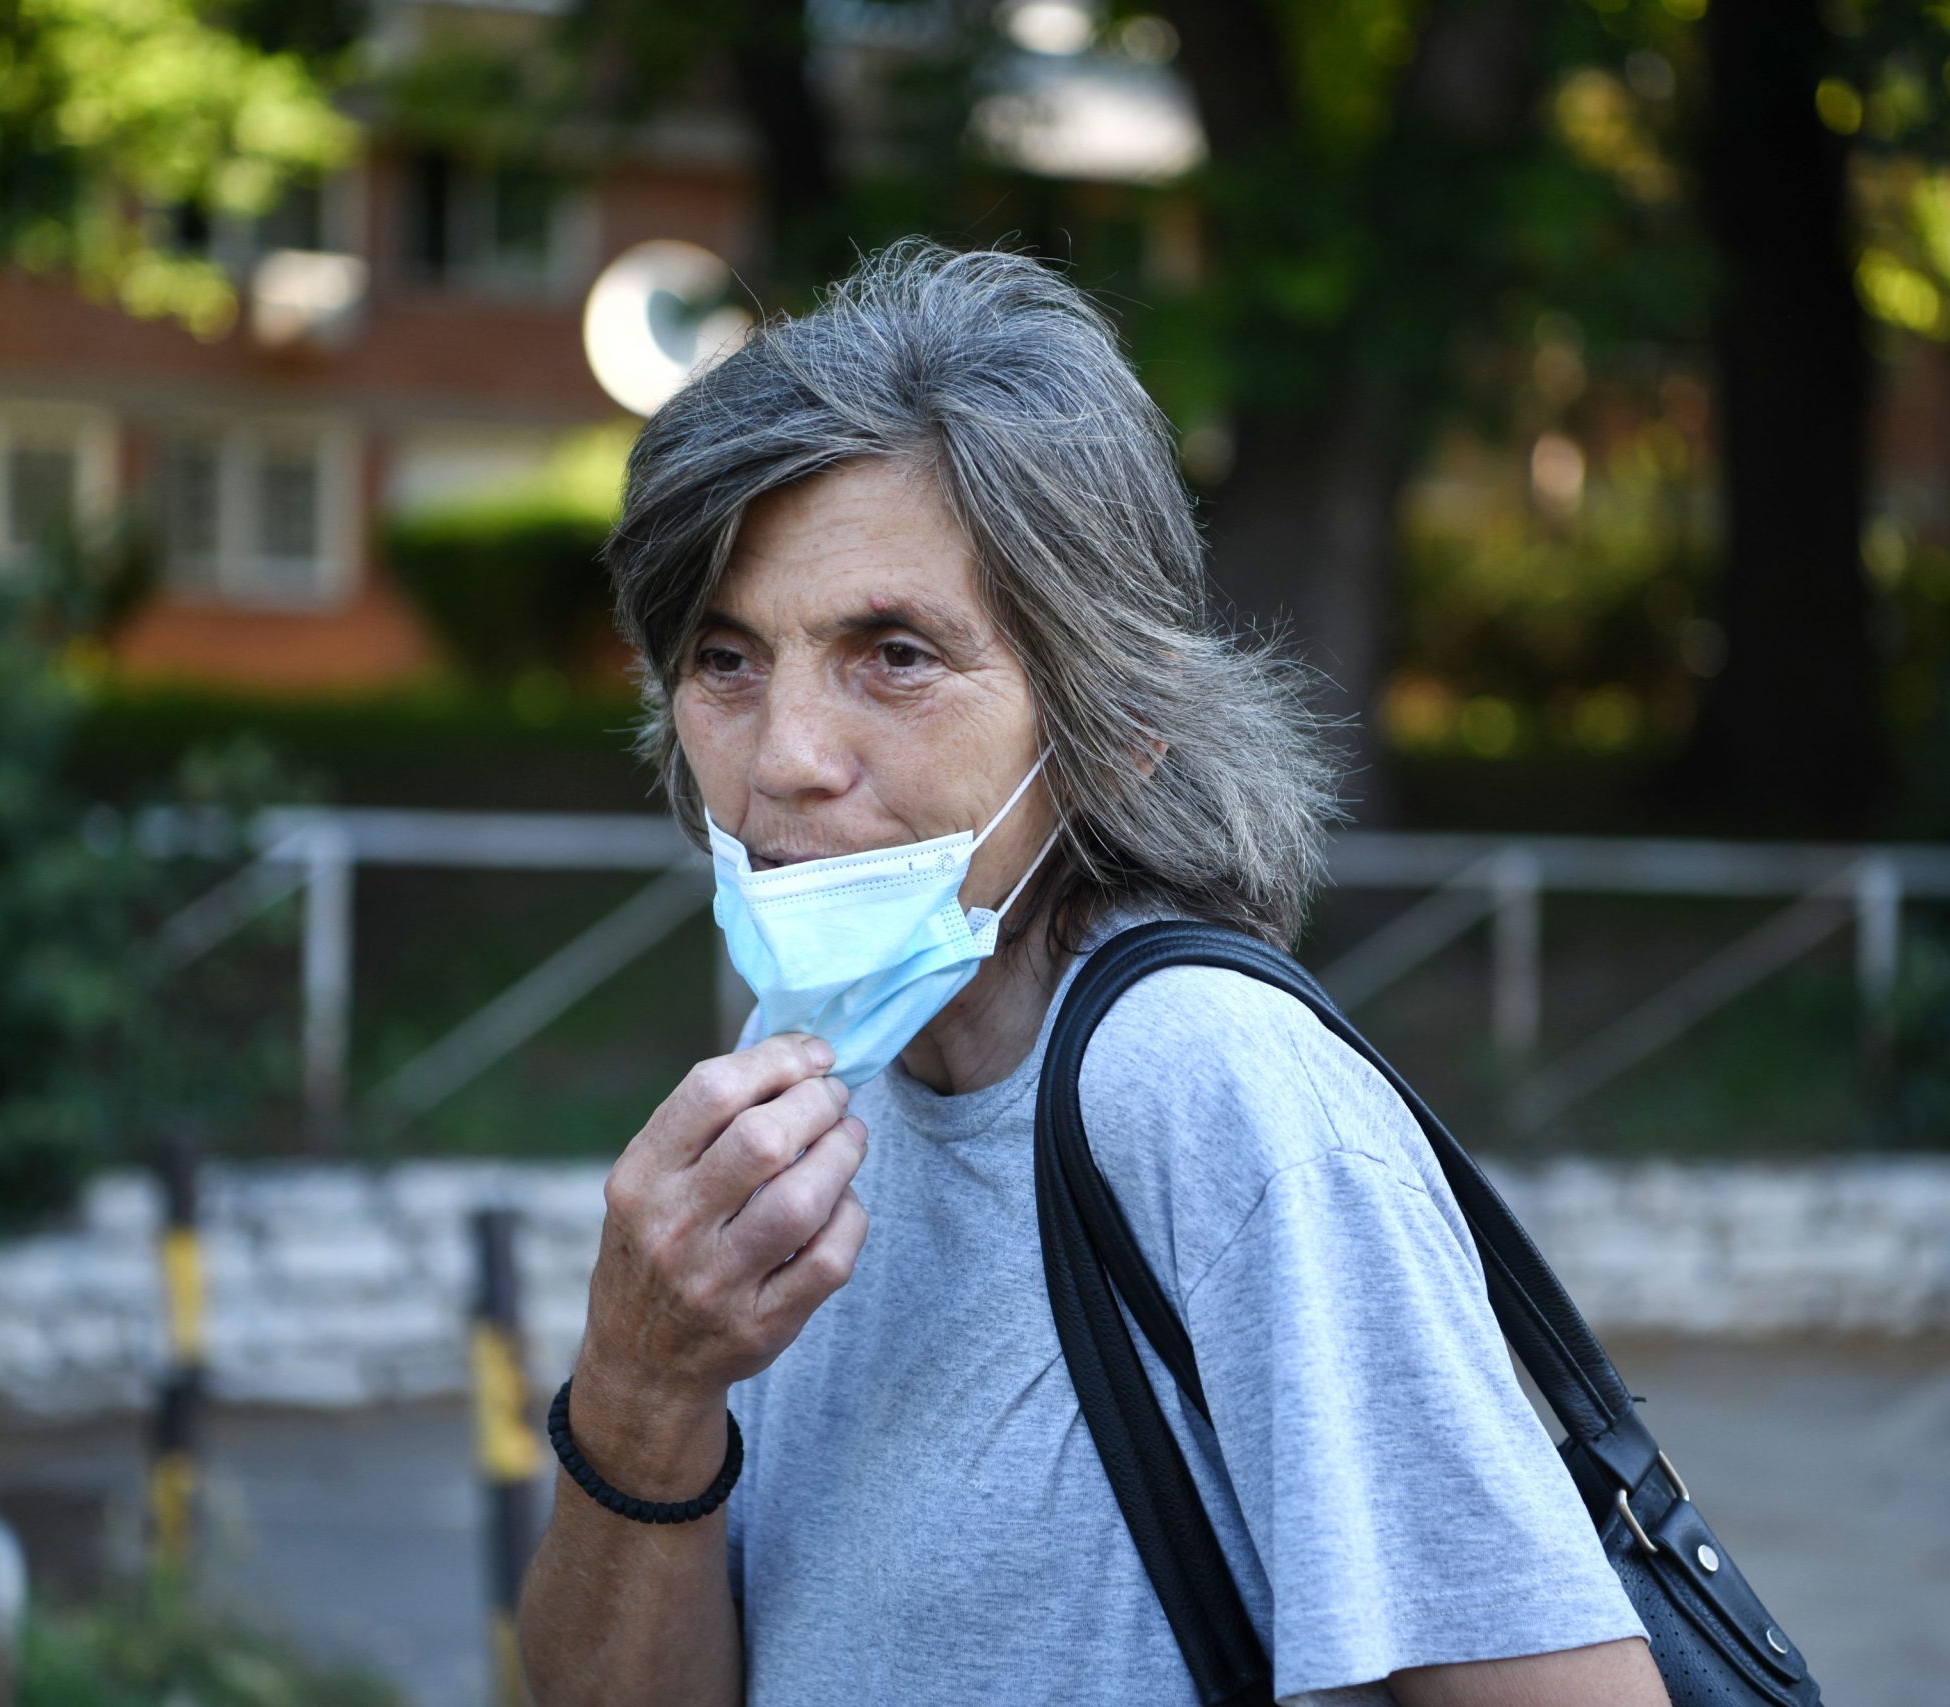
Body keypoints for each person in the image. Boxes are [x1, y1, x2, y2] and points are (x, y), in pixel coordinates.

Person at [517, 238, 1665, 1707]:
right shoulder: (817, 1099)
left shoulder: (1210, 1089)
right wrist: (640, 1391)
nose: (786, 761)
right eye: (728, 660)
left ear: (1111, 721)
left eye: (895, 654)